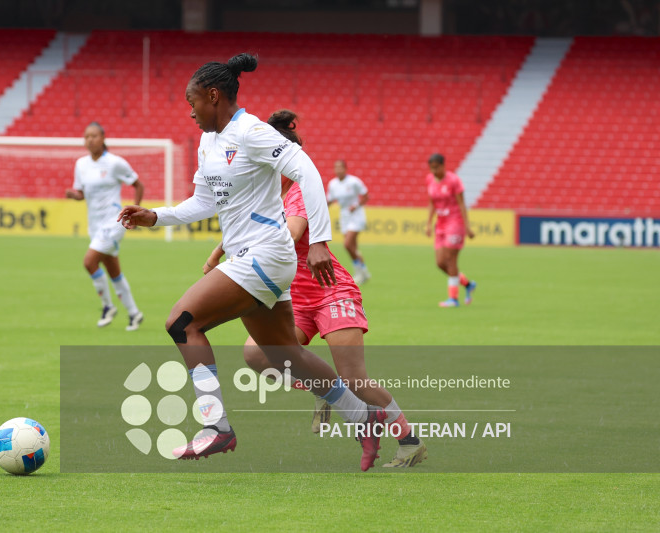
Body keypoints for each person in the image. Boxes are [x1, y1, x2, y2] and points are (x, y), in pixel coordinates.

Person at [117, 54, 387, 471]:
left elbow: (307, 172)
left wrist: (319, 240)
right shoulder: (209, 143)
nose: (190, 112)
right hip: (254, 258)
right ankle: (363, 416)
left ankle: (216, 426)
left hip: (264, 254)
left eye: (193, 102)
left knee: (182, 323)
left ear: (213, 96)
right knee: (285, 355)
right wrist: (156, 216)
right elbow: (204, 202)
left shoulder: (251, 132)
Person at [204, 110, 426, 468]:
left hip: (330, 291)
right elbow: (251, 226)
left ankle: (409, 442)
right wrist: (220, 250)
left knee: (356, 380)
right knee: (256, 355)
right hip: (295, 298)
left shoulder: (300, 191)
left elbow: (290, 234)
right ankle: (325, 388)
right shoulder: (265, 192)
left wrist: (234, 256)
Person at [66, 122, 145, 330]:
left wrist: (135, 211)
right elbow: (82, 193)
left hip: (114, 222)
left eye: (94, 136)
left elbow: (138, 185)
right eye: (86, 136)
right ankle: (134, 313)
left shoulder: (114, 163)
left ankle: (108, 306)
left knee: (89, 262)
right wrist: (74, 195)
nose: (90, 140)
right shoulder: (81, 164)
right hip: (95, 225)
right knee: (113, 271)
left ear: (103, 138)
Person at [425, 153, 477, 307]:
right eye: (432, 168)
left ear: (443, 165)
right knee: (440, 263)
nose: (434, 171)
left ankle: (453, 298)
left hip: (455, 222)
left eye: (436, 168)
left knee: (450, 259)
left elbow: (461, 204)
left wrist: (467, 226)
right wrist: (428, 223)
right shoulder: (430, 180)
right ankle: (467, 284)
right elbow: (432, 203)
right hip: (440, 224)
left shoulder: (454, 181)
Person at [327, 160, 371, 284]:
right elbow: (329, 200)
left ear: (345, 169)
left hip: (356, 215)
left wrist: (356, 206)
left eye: (340, 167)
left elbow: (366, 196)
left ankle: (359, 273)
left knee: (347, 244)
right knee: (353, 247)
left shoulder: (354, 181)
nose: (338, 170)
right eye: (336, 167)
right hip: (344, 216)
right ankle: (364, 272)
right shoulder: (333, 184)